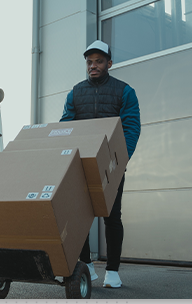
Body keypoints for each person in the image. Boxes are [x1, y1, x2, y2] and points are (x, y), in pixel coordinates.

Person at [60, 40, 140, 289]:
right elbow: (66, 126)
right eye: (89, 62)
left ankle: (113, 272)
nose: (93, 66)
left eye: (99, 61)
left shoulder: (124, 91)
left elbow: (131, 128)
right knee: (79, 217)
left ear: (109, 63)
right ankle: (87, 266)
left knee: (112, 217)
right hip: (80, 166)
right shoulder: (75, 93)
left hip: (111, 167)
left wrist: (120, 161)